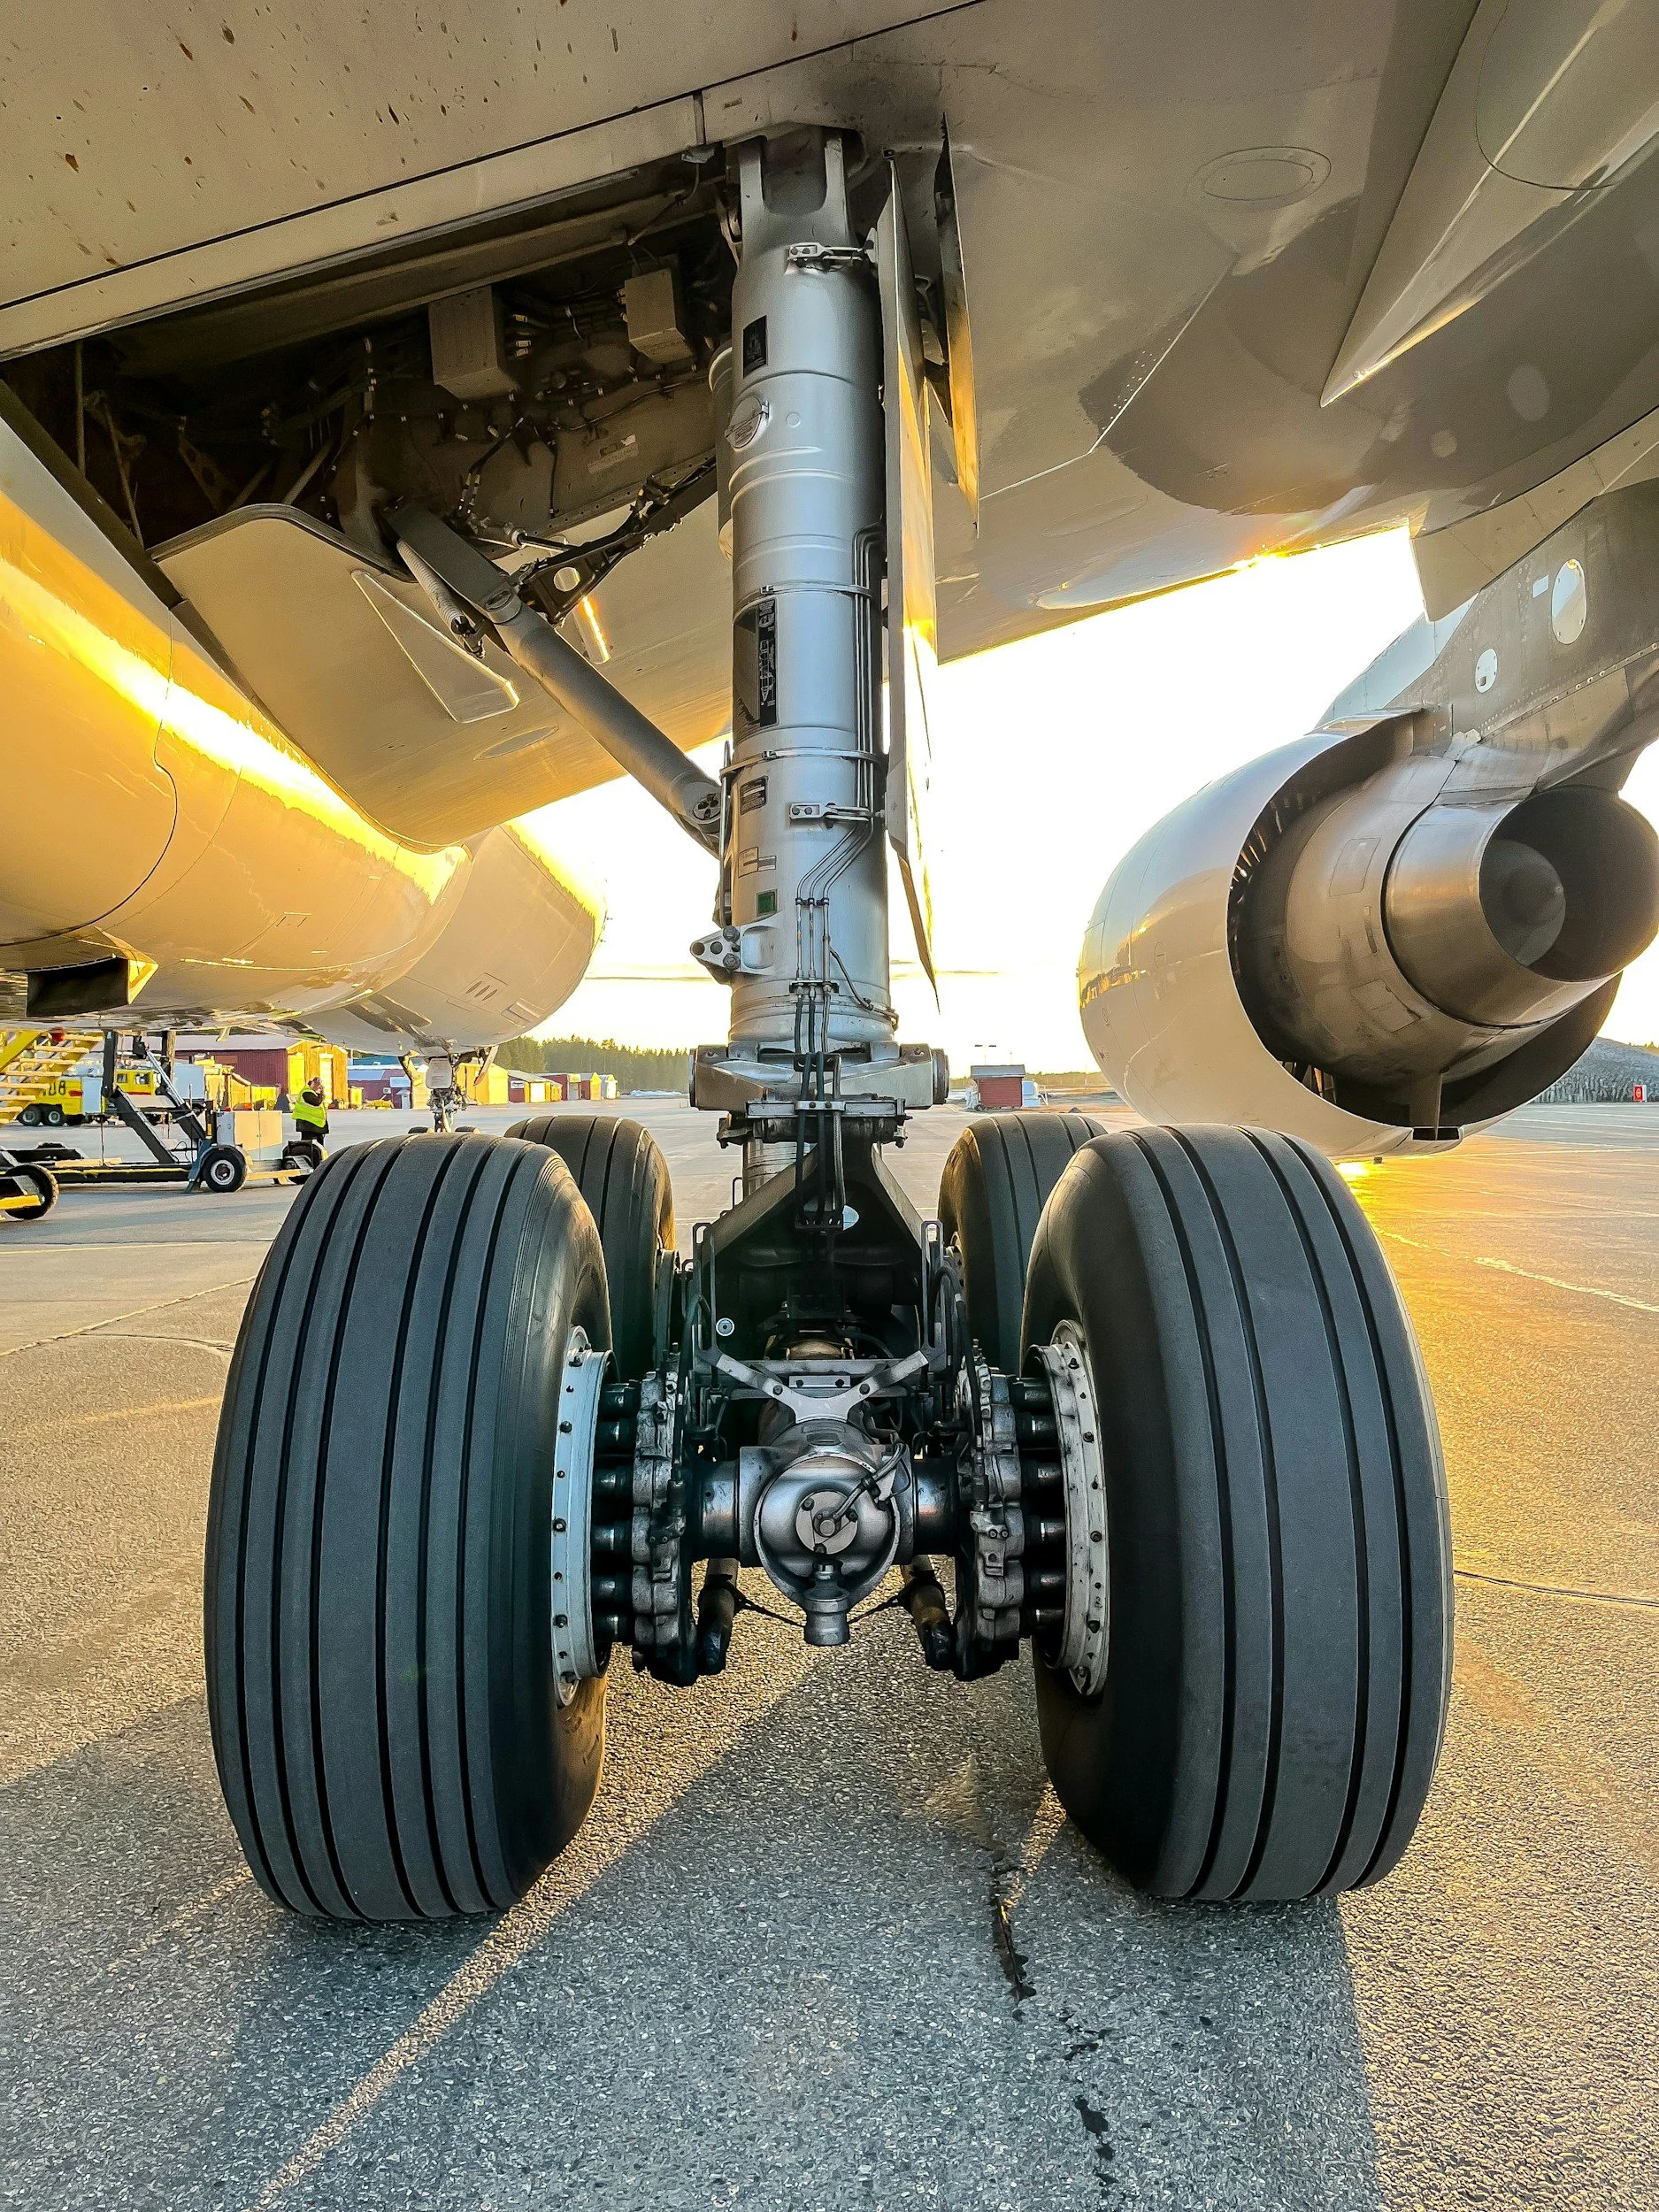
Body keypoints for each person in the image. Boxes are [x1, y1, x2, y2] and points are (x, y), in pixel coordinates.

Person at [292, 1079, 329, 1144]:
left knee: (317, 1144)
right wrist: (321, 1094)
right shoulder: (306, 1092)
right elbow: (316, 1102)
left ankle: (317, 1154)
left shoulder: (312, 1093)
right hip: (308, 1124)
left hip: (314, 1124)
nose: (318, 1087)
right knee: (309, 1144)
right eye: (317, 1085)